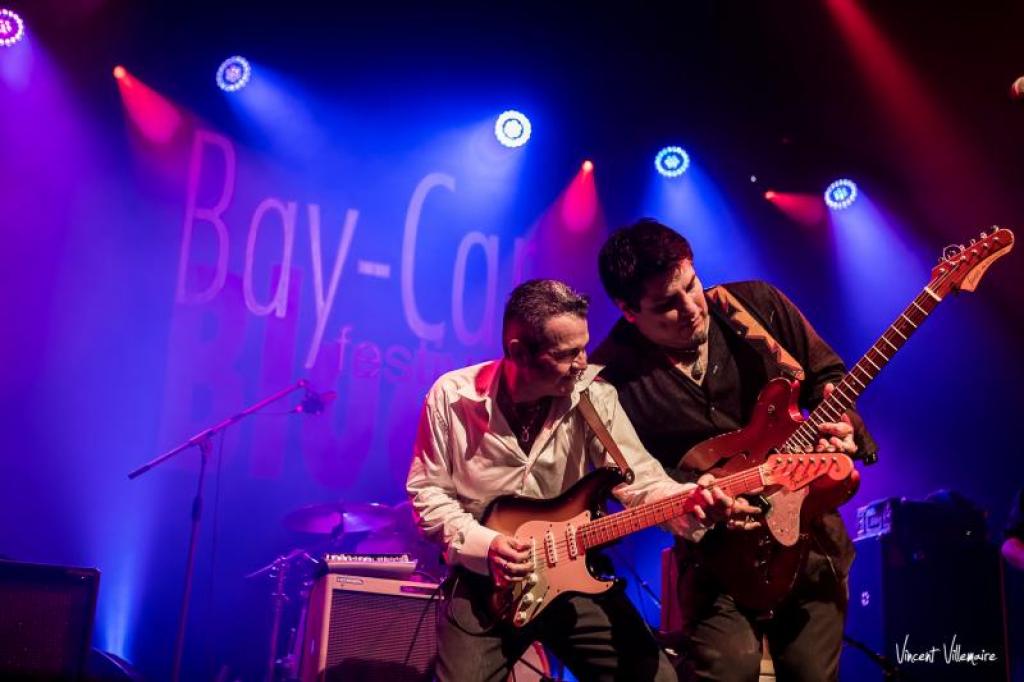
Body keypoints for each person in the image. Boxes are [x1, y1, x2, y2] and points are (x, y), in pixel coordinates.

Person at [407, 278, 741, 682]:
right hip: (486, 582)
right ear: (518, 351)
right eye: (566, 354)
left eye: (583, 347)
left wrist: (687, 499)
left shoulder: (594, 397)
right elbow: (428, 493)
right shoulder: (452, 396)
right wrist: (487, 546)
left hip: (575, 572)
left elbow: (641, 482)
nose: (583, 362)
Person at [592, 219, 878, 682]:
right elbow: (627, 476)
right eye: (667, 305)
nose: (691, 308)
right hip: (716, 560)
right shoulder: (609, 379)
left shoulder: (756, 305)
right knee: (727, 670)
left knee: (811, 674)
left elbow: (826, 375)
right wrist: (699, 493)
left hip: (811, 539)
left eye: (691, 285)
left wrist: (842, 424)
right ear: (628, 310)